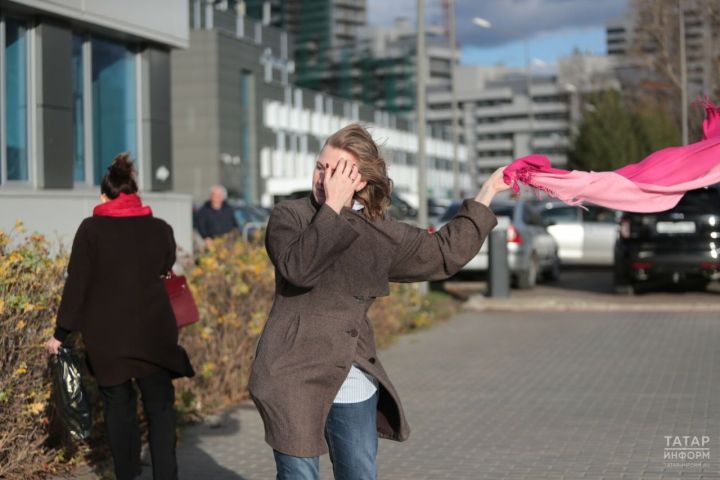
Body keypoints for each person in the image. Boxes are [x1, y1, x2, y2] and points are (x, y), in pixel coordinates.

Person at [248, 123, 509, 480]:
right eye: (320, 167)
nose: (324, 178)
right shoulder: (289, 217)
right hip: (292, 372)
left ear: (358, 181)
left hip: (351, 374)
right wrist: (333, 209)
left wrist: (488, 191)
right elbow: (300, 269)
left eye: (337, 171)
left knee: (360, 474)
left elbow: (443, 253)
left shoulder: (377, 232)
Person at [45, 153, 195, 480]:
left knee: (119, 408)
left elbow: (77, 285)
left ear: (104, 195)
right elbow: (165, 267)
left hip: (108, 338)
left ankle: (126, 475)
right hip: (154, 334)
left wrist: (61, 333)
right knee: (160, 409)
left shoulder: (91, 229)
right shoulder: (159, 228)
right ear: (134, 192)